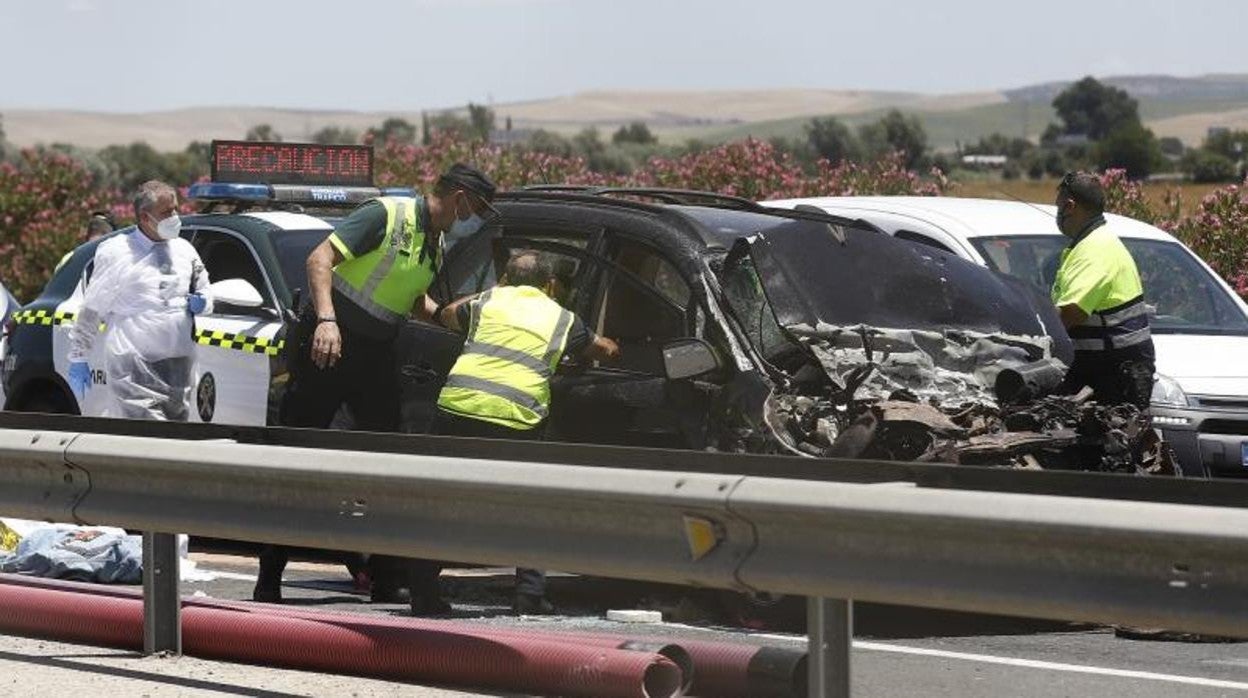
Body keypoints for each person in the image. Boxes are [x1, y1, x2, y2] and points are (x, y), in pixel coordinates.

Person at [254, 163, 499, 604]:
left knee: (387, 463)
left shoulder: (436, 241)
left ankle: (385, 576)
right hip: (327, 348)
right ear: (460, 197)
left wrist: (451, 317)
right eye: (476, 208)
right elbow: (319, 259)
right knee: (294, 459)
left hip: (374, 355)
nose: (475, 218)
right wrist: (327, 320)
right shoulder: (388, 214)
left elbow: (409, 299)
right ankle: (269, 576)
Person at [412, 250, 620, 616]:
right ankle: (529, 596)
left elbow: (445, 314)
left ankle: (423, 592)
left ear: (506, 278)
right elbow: (605, 349)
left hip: (459, 407)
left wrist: (494, 289)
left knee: (443, 501)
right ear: (551, 284)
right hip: (516, 417)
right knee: (528, 504)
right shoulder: (561, 318)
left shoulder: (488, 300)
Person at [66, 180, 211, 420]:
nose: (174, 216)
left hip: (178, 367)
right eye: (166, 212)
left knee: (173, 440)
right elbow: (93, 308)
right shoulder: (117, 252)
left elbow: (205, 288)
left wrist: (204, 302)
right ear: (144, 217)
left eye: (175, 209)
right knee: (145, 440)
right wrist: (79, 356)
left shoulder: (184, 250)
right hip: (133, 367)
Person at [1051, 171, 1154, 408]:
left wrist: (1033, 331)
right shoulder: (1097, 242)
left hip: (1110, 377)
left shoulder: (1095, 249)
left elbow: (1071, 313)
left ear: (1069, 206)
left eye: (1058, 207)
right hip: (1109, 370)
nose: (1057, 214)